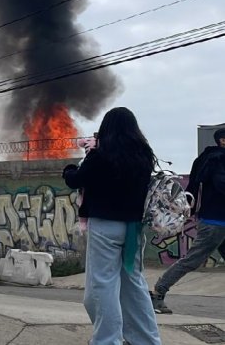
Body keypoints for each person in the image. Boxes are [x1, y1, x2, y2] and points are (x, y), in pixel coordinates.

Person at [63, 107, 161, 345]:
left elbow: (76, 179)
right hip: (133, 228)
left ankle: (107, 340)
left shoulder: (101, 154)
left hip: (105, 226)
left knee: (102, 286)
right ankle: (146, 340)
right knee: (135, 285)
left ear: (106, 129)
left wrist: (69, 169)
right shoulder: (144, 155)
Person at [150, 128, 225, 314]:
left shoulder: (205, 159)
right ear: (222, 141)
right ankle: (159, 292)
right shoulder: (218, 159)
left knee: (192, 260)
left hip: (214, 218)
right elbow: (221, 184)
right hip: (216, 221)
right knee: (192, 260)